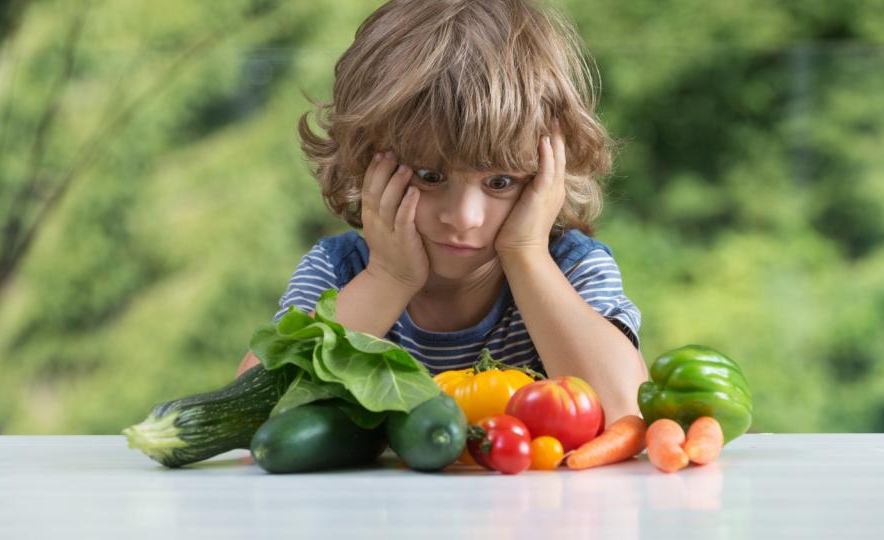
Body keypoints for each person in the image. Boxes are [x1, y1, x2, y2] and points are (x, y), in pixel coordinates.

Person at [236, 0, 647, 424]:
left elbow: (626, 412)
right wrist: (388, 280)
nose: (464, 217)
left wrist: (526, 253)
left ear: (549, 173)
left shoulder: (572, 268)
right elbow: (248, 417)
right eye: (430, 176)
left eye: (500, 182)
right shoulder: (338, 273)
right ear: (365, 158)